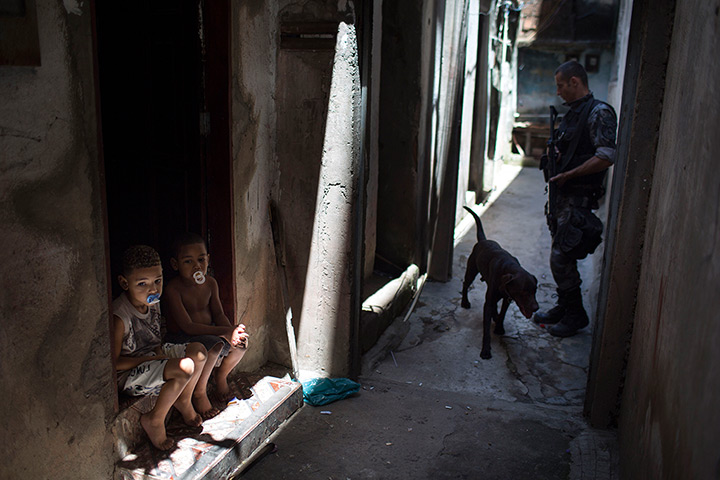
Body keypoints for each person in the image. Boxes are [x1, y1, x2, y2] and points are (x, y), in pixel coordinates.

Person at [534, 60, 617, 338]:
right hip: (562, 197)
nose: (558, 92)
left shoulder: (598, 112)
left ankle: (576, 314)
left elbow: (606, 155)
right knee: (562, 257)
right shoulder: (572, 115)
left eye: (560, 85)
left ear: (575, 82)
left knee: (561, 257)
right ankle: (565, 306)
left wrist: (570, 174)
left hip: (578, 198)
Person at [112, 245, 215, 451]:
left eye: (157, 281)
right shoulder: (119, 317)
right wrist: (149, 360)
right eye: (142, 283)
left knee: (199, 352)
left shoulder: (152, 301)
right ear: (124, 283)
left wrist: (159, 353)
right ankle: (155, 419)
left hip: (153, 358)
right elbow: (114, 365)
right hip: (130, 373)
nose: (152, 289)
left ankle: (184, 399)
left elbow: (156, 336)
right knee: (185, 367)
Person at [162, 232, 249, 403]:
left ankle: (221, 375)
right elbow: (187, 326)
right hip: (185, 338)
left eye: (201, 260)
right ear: (175, 264)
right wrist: (225, 331)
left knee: (242, 345)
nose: (196, 267)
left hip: (210, 334)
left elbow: (218, 314)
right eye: (188, 261)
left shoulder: (210, 283)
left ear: (208, 259)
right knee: (215, 347)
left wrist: (233, 333)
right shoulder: (173, 289)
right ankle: (199, 392)